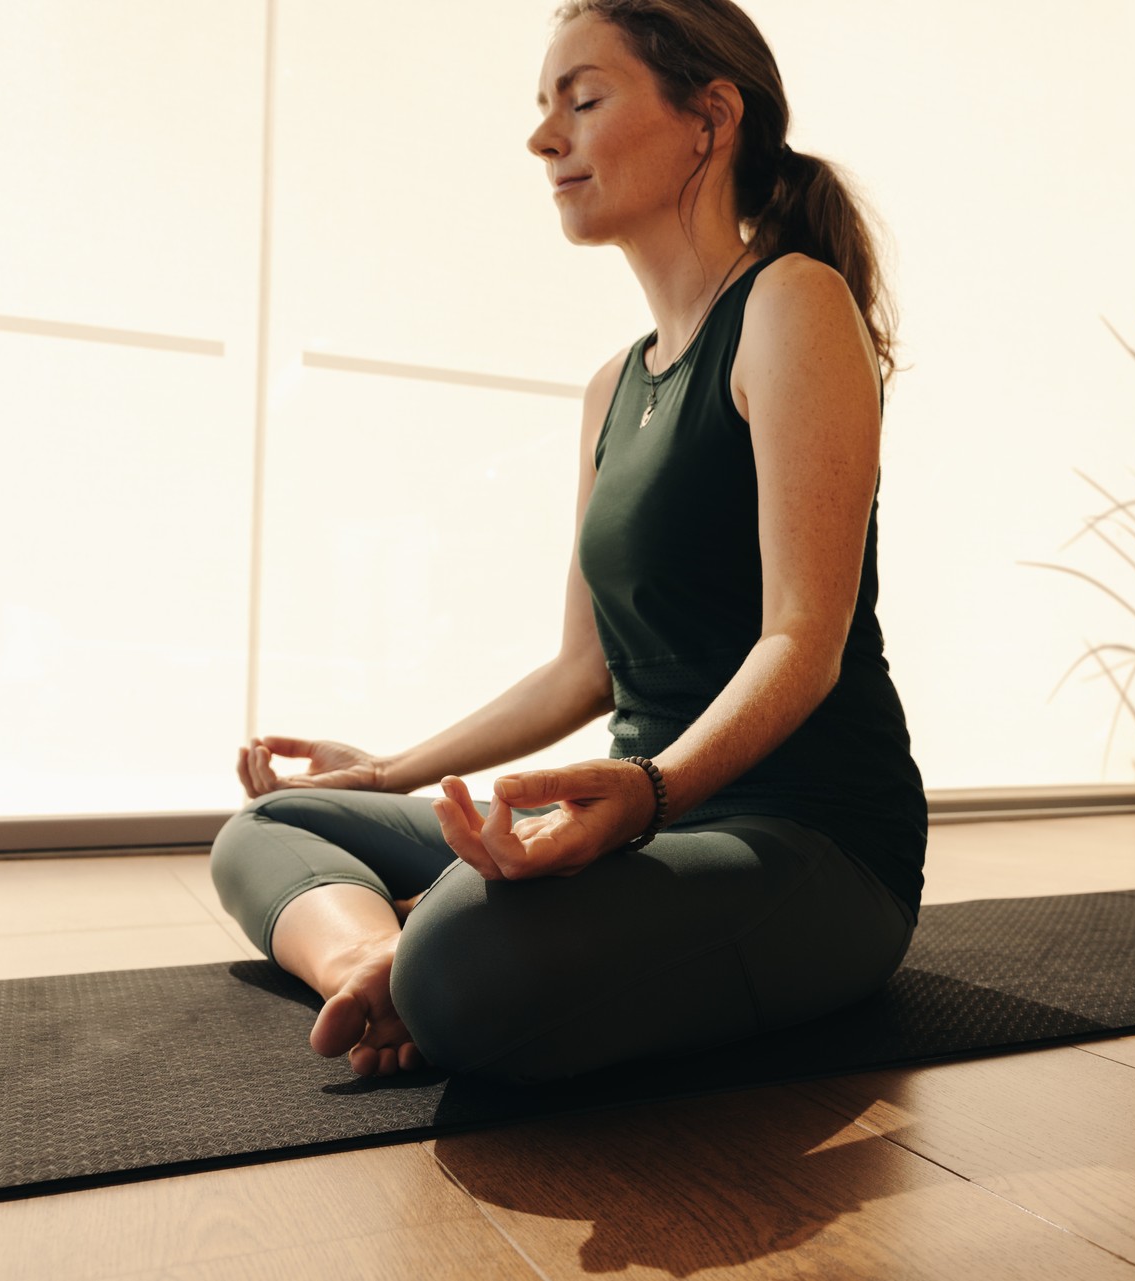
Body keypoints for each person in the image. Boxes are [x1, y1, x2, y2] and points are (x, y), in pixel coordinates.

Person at [207, 0, 926, 1085]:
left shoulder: (793, 304)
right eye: (544, 110)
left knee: (465, 954)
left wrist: (649, 794)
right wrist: (387, 771)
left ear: (709, 118)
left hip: (806, 839)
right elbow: (583, 670)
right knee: (275, 821)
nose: (546, 138)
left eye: (583, 101)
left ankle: (420, 965)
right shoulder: (614, 385)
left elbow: (803, 640)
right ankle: (371, 960)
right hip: (643, 815)